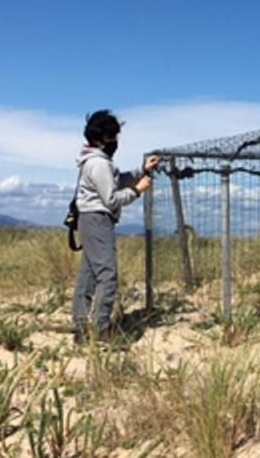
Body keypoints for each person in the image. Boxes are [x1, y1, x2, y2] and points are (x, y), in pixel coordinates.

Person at [72, 110, 159, 344]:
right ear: (104, 138)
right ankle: (101, 331)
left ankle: (81, 330)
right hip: (97, 219)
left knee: (89, 275)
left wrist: (142, 170)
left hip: (90, 219)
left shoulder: (95, 161)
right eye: (114, 137)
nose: (116, 142)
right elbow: (111, 199)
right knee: (107, 275)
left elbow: (115, 181)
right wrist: (137, 190)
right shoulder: (99, 164)